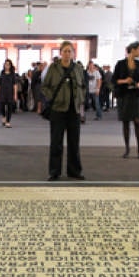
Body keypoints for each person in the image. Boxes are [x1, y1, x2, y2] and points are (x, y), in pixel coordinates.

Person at [42, 40, 86, 181]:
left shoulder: (78, 68)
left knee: (74, 142)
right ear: (60, 53)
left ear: (73, 53)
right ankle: (54, 171)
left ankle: (74, 171)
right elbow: (45, 86)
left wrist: (80, 98)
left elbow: (83, 86)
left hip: (74, 110)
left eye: (69, 51)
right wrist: (53, 98)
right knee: (56, 142)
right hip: (58, 109)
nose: (67, 54)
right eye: (65, 51)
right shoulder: (53, 68)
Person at [112, 41, 139, 159]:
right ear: (133, 50)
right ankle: (127, 149)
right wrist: (125, 81)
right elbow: (114, 80)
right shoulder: (120, 64)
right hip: (124, 96)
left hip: (136, 95)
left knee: (137, 122)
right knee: (125, 122)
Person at [0, 59, 18, 128]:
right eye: (6, 64)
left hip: (10, 92)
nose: (7, 66)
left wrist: (15, 94)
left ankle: (8, 121)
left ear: (10, 65)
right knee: (2, 106)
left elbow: (15, 85)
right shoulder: (2, 72)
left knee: (9, 107)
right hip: (2, 92)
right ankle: (3, 116)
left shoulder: (13, 74)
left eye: (8, 64)